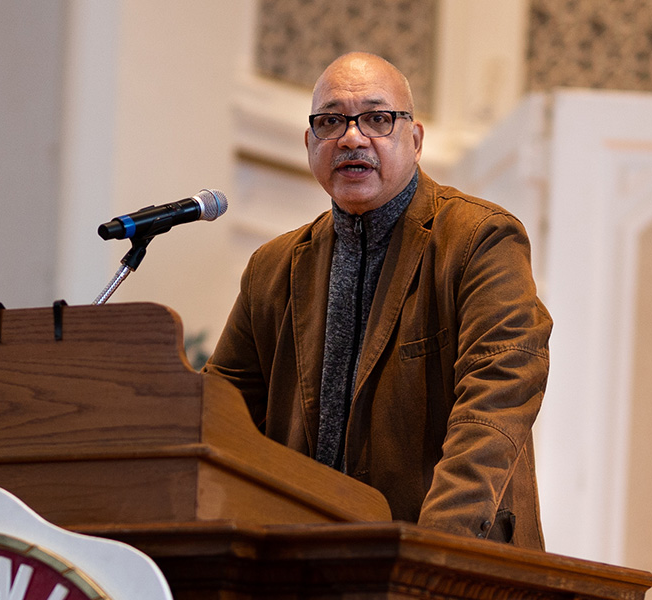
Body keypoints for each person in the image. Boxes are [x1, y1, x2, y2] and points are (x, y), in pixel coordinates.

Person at [203, 52, 552, 549]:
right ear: (309, 143)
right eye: (330, 121)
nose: (351, 136)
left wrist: (433, 549)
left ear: (415, 138)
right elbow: (222, 413)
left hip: (443, 564)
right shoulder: (271, 268)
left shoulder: (479, 238)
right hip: (299, 566)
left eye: (377, 118)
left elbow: (498, 393)